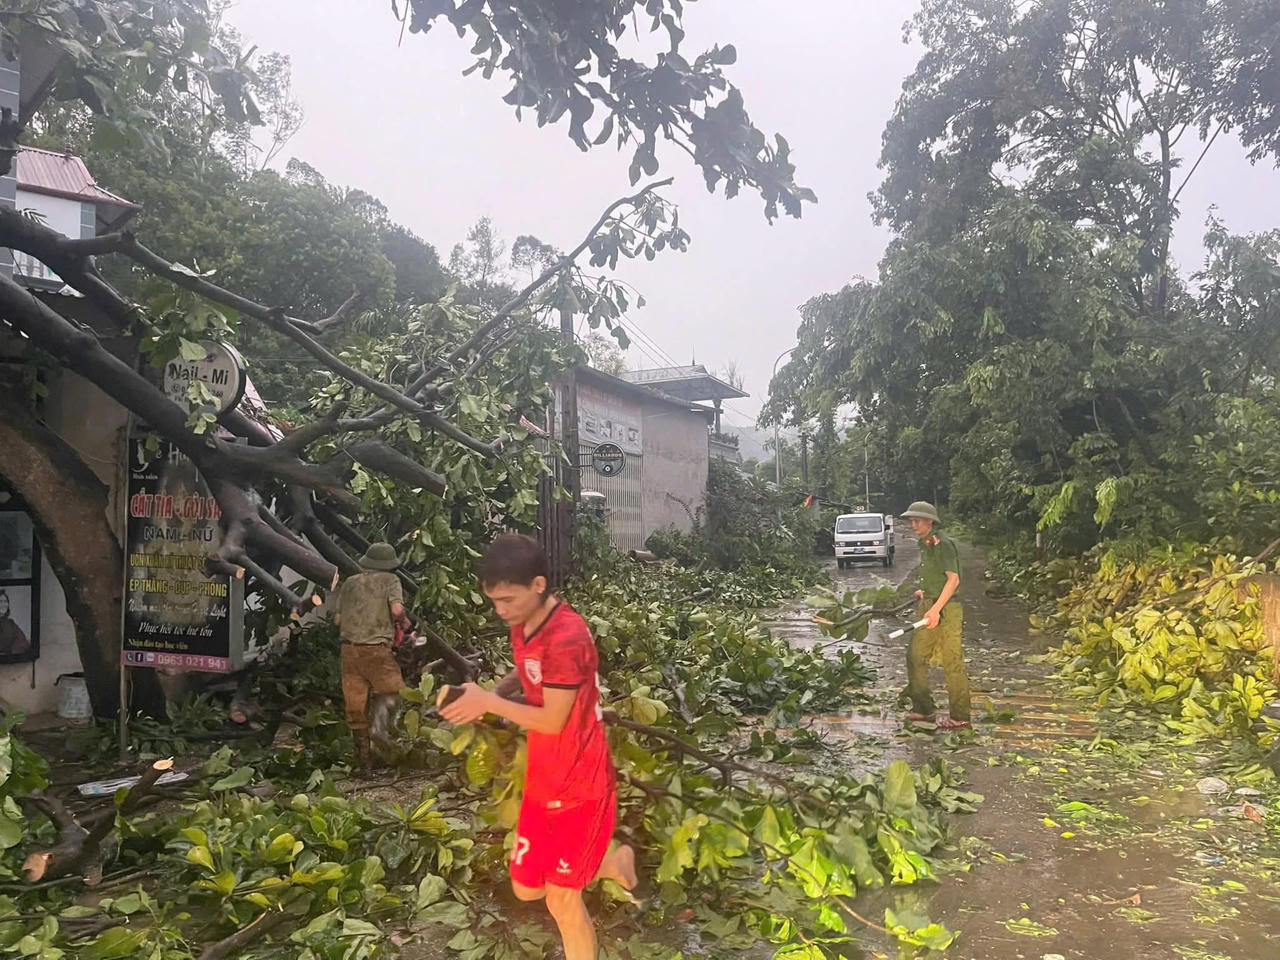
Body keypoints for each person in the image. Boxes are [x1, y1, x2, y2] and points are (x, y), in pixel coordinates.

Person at [440, 533, 637, 960]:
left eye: (507, 600)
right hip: (544, 777)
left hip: (581, 783)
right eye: (494, 601)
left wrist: (487, 703)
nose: (501, 610)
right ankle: (612, 861)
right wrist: (495, 691)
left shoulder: (567, 637)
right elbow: (527, 667)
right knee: (527, 888)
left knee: (562, 900)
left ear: (539, 585)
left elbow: (552, 719)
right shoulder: (525, 621)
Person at [333, 542, 408, 772]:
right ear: (389, 564)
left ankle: (364, 764)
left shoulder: (350, 582)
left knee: (355, 707)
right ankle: (380, 731)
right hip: (376, 649)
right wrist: (403, 621)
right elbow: (397, 610)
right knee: (393, 691)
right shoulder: (390, 580)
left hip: (349, 651)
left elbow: (337, 620)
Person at [899, 501, 971, 731]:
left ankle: (960, 716)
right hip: (929, 604)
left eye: (917, 521)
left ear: (930, 522)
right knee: (915, 656)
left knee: (952, 661)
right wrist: (926, 592)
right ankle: (924, 708)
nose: (913, 525)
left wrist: (936, 609)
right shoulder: (924, 544)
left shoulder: (943, 544)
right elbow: (936, 576)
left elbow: (953, 579)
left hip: (947, 608)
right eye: (911, 521)